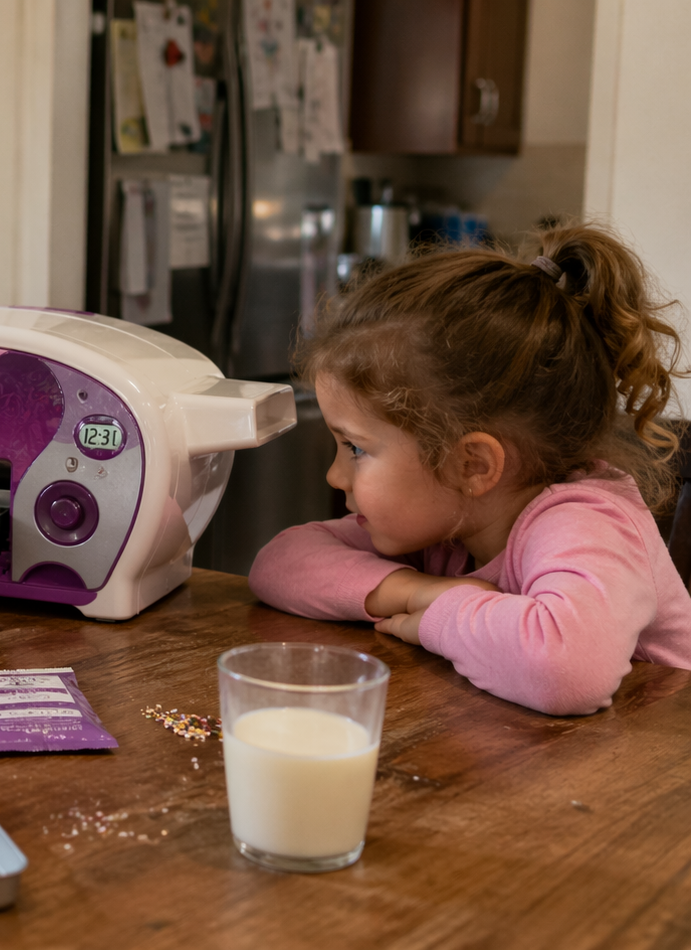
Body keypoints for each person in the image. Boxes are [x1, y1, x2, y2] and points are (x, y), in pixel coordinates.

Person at [249, 225, 691, 715]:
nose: (335, 476)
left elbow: (565, 670)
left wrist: (440, 615)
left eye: (355, 448)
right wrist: (414, 590)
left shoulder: (586, 523)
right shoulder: (446, 521)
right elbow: (278, 563)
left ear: (472, 466)